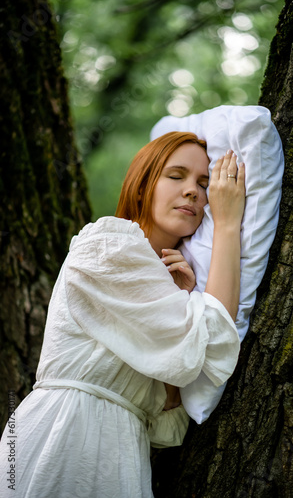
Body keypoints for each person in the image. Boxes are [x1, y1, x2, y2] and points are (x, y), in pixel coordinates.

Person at [0, 131, 245, 497]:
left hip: (122, 452)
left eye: (205, 183)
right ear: (143, 186)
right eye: (176, 176)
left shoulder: (171, 285)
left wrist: (180, 298)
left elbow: (171, 409)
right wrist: (227, 225)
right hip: (64, 433)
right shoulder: (109, 243)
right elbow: (212, 341)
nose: (193, 191)